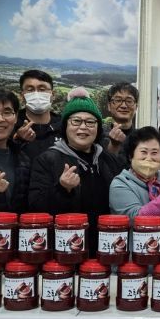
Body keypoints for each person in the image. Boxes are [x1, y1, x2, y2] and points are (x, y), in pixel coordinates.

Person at [28, 95, 120, 250]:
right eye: (76, 121)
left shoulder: (108, 159)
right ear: (65, 126)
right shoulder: (47, 159)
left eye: (90, 122)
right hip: (66, 248)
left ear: (98, 128)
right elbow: (35, 207)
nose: (83, 127)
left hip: (106, 246)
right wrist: (62, 188)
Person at [12, 69, 62, 160]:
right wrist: (17, 141)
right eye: (30, 90)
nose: (36, 94)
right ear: (22, 96)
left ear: (53, 95)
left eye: (42, 89)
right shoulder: (11, 124)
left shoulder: (63, 126)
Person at [102, 82, 139, 167]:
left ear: (136, 107)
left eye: (129, 101)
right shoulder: (98, 135)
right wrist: (113, 146)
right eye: (118, 100)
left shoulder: (141, 138)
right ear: (109, 106)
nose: (124, 105)